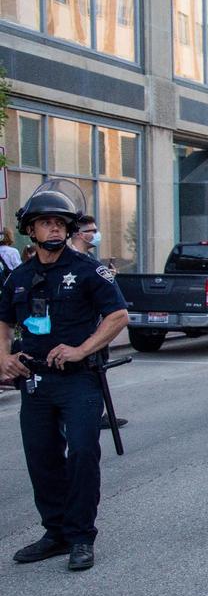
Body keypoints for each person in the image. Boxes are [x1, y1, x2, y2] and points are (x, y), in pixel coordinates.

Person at [0, 179, 129, 571]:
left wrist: (82, 349)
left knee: (83, 453)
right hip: (34, 381)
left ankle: (80, 536)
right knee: (42, 458)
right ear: (31, 230)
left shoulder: (89, 270)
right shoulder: (18, 276)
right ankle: (54, 532)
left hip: (78, 379)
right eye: (45, 223)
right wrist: (2, 358)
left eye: (60, 223)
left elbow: (118, 316)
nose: (54, 228)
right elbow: (3, 324)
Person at [69, 215, 127, 430]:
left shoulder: (91, 262)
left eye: (95, 230)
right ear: (78, 234)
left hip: (96, 328)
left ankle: (97, 413)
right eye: (91, 230)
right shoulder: (68, 262)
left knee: (97, 372)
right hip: (78, 331)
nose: (95, 234)